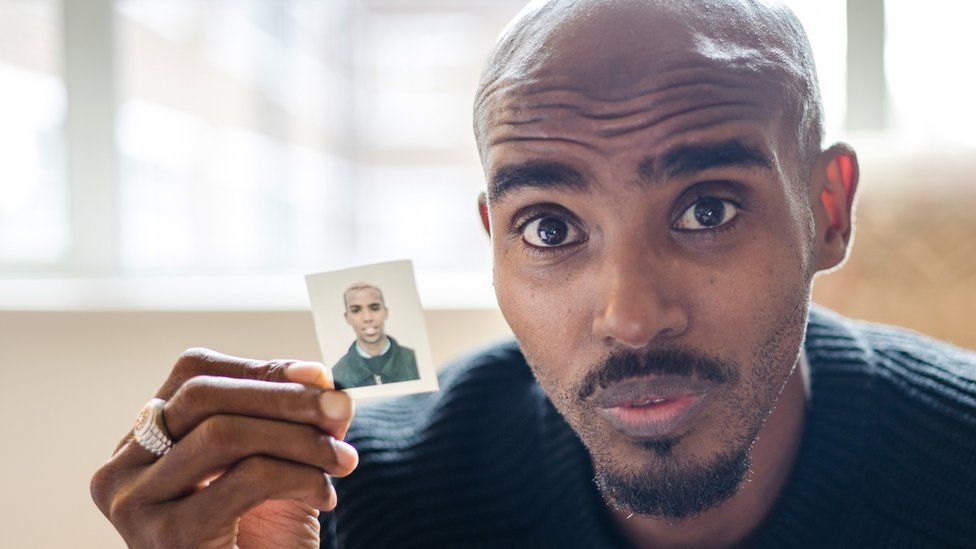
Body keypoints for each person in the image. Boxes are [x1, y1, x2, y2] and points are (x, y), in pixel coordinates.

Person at [91, 0, 976, 547]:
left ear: (826, 208)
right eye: (550, 227)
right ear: (493, 242)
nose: (631, 316)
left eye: (708, 209)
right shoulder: (345, 509)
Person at [332, 282, 419, 388]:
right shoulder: (337, 374)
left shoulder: (415, 361)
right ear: (347, 318)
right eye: (356, 310)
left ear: (385, 312)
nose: (367, 318)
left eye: (374, 308)